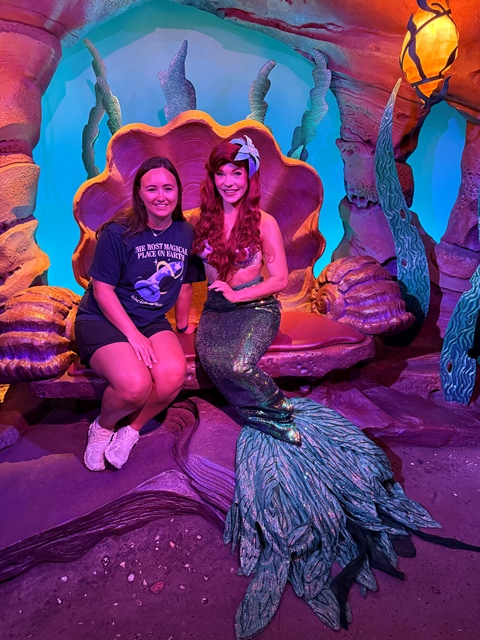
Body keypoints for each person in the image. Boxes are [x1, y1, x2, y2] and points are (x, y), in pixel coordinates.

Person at [192, 138, 480, 639]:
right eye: (222, 173)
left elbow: (278, 278)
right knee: (215, 361)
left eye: (237, 172)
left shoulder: (263, 221)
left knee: (237, 364)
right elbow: (194, 275)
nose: (230, 181)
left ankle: (281, 417)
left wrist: (240, 293)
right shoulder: (206, 221)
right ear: (213, 177)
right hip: (217, 313)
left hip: (255, 309)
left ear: (248, 177)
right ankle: (268, 416)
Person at [75, 156, 204, 472]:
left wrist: (183, 326)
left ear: (178, 193)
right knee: (135, 386)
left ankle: (131, 430)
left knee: (173, 376)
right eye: (152, 189)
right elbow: (102, 290)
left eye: (168, 188)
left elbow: (185, 285)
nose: (161, 196)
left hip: (151, 320)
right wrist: (132, 336)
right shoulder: (118, 232)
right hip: (102, 318)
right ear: (139, 194)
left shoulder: (185, 233)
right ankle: (103, 427)